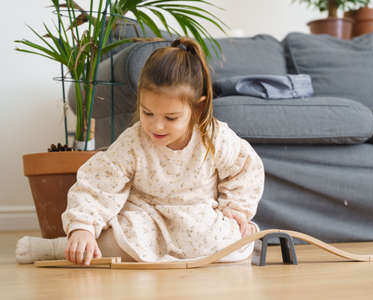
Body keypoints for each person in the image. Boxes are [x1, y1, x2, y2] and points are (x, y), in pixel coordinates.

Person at [16, 37, 265, 266]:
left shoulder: (214, 137)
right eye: (148, 113)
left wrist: (235, 208)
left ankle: (87, 248)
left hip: (197, 220)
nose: (156, 125)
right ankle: (64, 247)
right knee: (118, 241)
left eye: (170, 117)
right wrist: (82, 227)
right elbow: (98, 184)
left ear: (197, 109)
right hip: (145, 218)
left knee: (229, 242)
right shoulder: (133, 142)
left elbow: (246, 169)